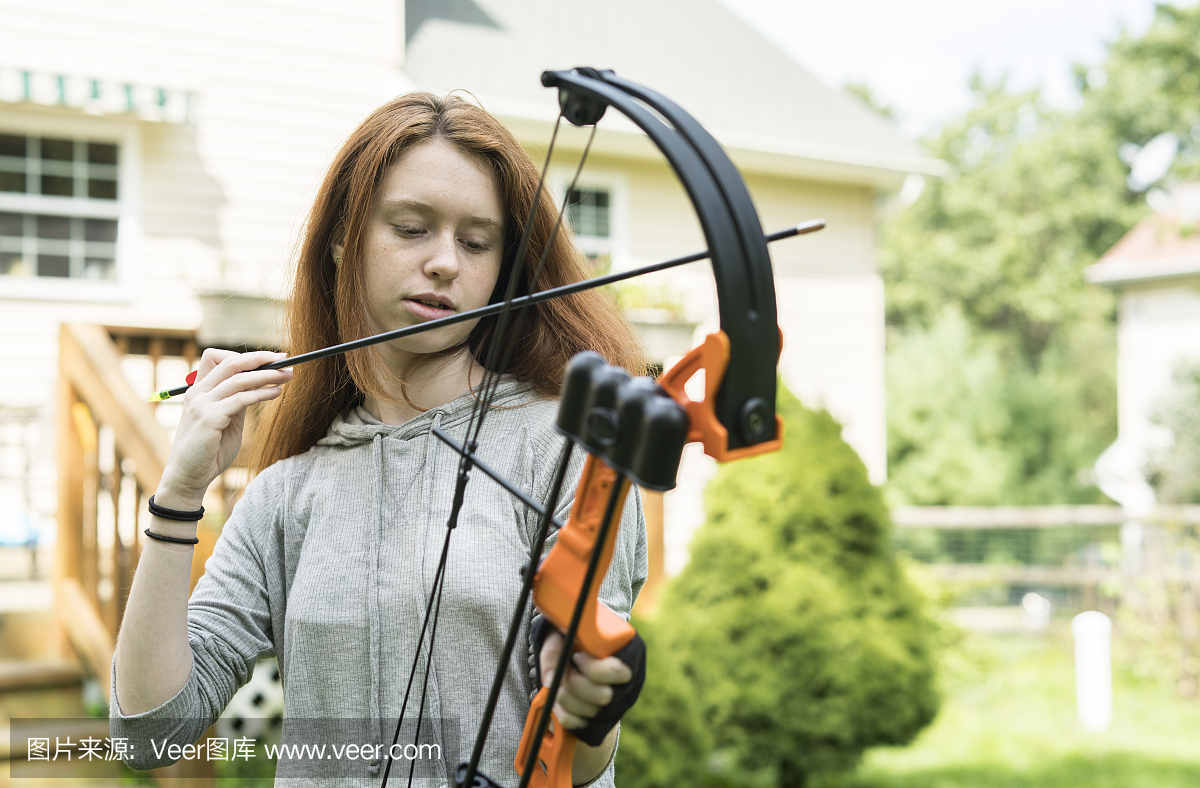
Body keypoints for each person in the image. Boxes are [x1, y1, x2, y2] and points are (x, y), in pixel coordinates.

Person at [111, 92, 649, 787]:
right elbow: (149, 733)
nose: (446, 263)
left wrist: (589, 704)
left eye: (476, 242)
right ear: (344, 243)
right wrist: (179, 493)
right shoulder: (287, 492)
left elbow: (583, 758)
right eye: (411, 228)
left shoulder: (562, 444)